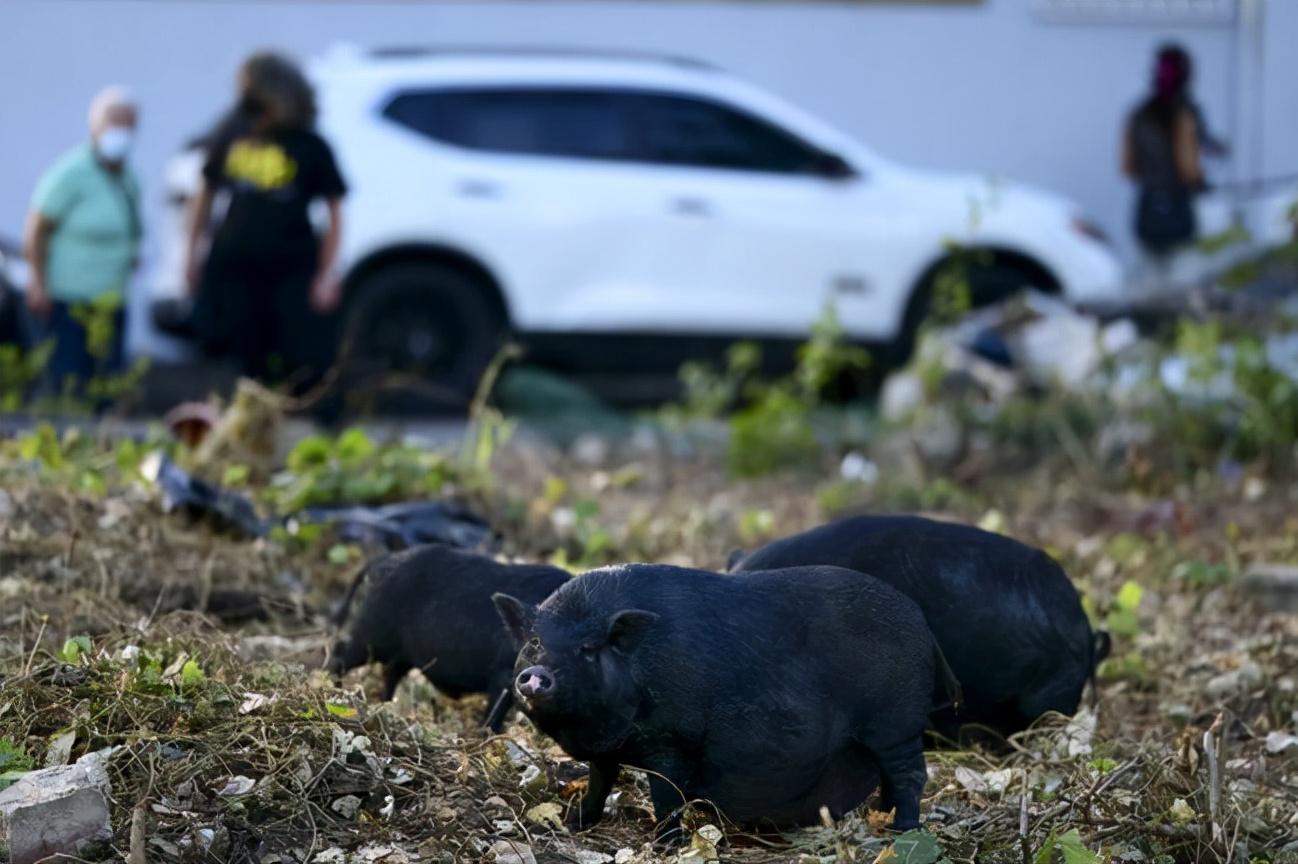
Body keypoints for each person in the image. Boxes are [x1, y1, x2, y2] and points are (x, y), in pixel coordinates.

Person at [184, 51, 346, 387]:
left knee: (296, 348)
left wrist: (327, 273)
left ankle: (296, 411)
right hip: (234, 263)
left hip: (290, 265)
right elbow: (204, 194)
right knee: (238, 349)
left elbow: (334, 213)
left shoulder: (309, 146)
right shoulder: (233, 133)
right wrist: (191, 253)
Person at [24, 86, 141, 397]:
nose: (121, 132)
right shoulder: (71, 173)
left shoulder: (127, 177)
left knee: (106, 385)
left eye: (127, 124)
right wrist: (37, 282)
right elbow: (37, 229)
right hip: (69, 300)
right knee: (68, 382)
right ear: (95, 126)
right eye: (113, 123)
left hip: (113, 300)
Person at [1122, 44, 1210, 256]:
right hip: (1177, 207)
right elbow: (1187, 164)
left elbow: (1127, 165)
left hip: (1148, 205)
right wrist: (1200, 183)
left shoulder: (1139, 114)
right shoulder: (1184, 114)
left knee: (1152, 271)